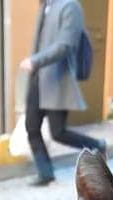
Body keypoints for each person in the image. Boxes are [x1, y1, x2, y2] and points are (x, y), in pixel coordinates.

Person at [20, 0, 105, 187]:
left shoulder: (70, 6)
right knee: (31, 127)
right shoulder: (44, 7)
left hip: (57, 81)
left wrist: (35, 60)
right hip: (37, 80)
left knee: (58, 132)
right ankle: (46, 173)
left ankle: (97, 146)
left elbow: (65, 45)